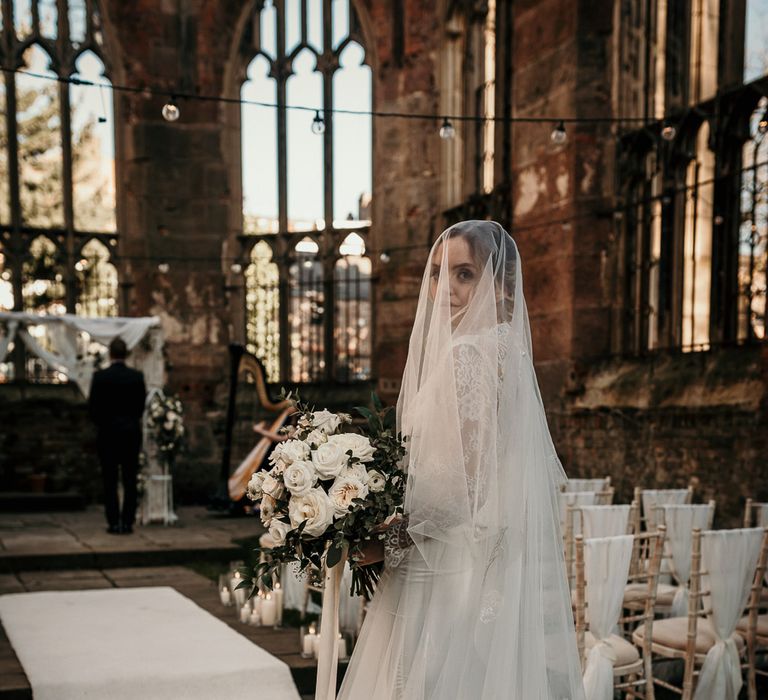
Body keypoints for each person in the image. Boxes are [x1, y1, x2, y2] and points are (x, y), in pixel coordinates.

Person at [338, 221, 585, 699]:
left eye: (465, 274)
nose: (445, 288)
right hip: (481, 554)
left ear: (500, 284)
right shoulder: (508, 351)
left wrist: (382, 542)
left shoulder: (468, 355)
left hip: (442, 559)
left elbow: (462, 486)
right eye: (437, 273)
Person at [88, 338, 147, 535]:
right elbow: (140, 407)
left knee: (110, 480)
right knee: (130, 479)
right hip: (130, 434)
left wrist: (106, 424)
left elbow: (93, 410)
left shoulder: (100, 377)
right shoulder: (136, 377)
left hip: (108, 435)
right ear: (126, 354)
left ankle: (113, 523)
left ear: (110, 354)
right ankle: (128, 523)